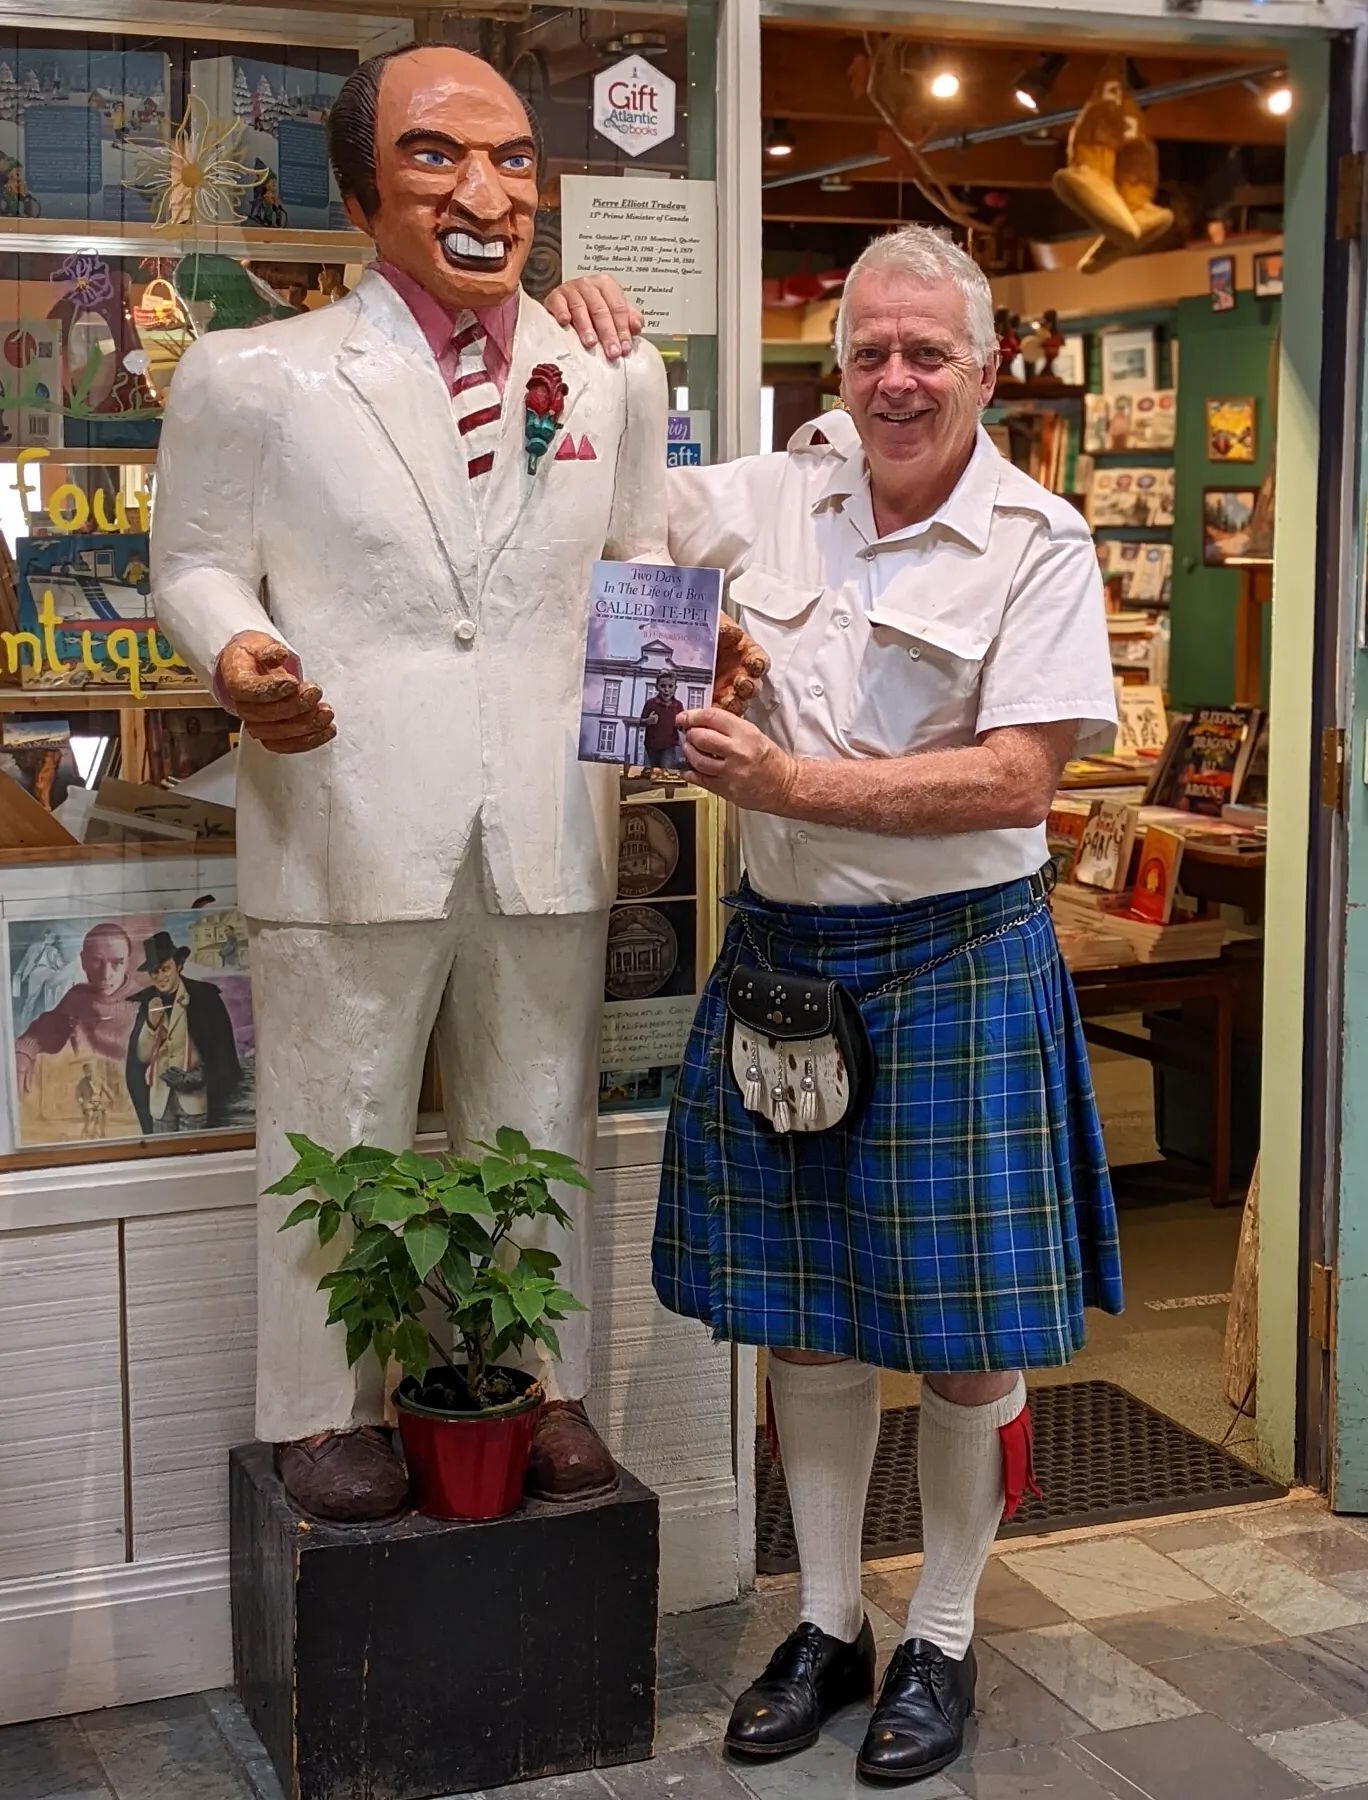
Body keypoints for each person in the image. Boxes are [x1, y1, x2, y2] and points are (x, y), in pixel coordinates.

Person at [151, 44, 764, 1524]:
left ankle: (536, 1383)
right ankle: (318, 1409)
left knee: (536, 1119)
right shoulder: (259, 374)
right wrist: (240, 653)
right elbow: (193, 556)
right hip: (346, 806)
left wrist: (694, 652)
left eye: (513, 161)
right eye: (437, 157)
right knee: (336, 1121)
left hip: (548, 814)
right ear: (363, 191)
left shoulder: (608, 367)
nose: (486, 194)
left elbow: (631, 567)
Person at [548, 227, 1123, 1783]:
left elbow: (1018, 776)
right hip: (789, 958)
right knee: (806, 1321)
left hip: (958, 966)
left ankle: (938, 1630)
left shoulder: (1042, 539)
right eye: (868, 350)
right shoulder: (762, 495)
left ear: (987, 368)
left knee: (958, 1336)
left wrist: (788, 777)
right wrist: (588, 345)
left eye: (927, 353)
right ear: (837, 362)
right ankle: (826, 1620)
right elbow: (589, 511)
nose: (892, 379)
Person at [124, 931, 242, 1135]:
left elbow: (222, 1051)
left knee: (195, 1153)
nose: (160, 977)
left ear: (178, 966)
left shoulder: (204, 998)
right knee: (163, 1155)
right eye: (154, 972)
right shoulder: (148, 1004)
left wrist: (201, 1076)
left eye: (165, 969)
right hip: (160, 1103)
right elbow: (140, 1057)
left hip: (195, 1101)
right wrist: (151, 1026)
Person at [15, 920, 134, 1095]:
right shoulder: (77, 997)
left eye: (118, 962)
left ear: (128, 962)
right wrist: (24, 1050)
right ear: (83, 961)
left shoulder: (147, 1002)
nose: (106, 975)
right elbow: (48, 1027)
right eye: (96, 961)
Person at [640, 671, 686, 771]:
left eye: (670, 686)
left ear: (675, 688)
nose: (666, 690)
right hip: (651, 746)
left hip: (669, 746)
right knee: (650, 773)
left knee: (666, 772)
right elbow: (641, 721)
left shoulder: (678, 705)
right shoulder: (650, 704)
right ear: (657, 687)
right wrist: (648, 721)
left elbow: (682, 725)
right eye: (663, 686)